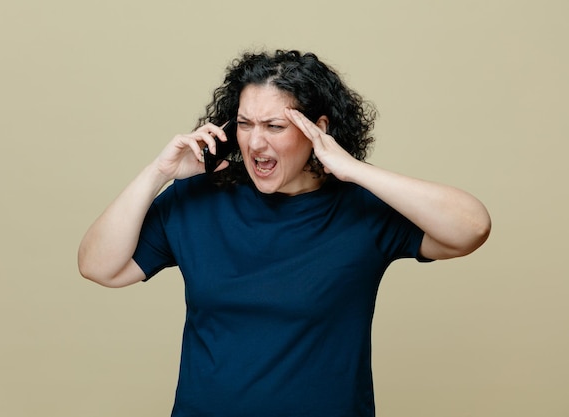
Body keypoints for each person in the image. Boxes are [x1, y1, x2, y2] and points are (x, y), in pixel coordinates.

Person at [77, 49, 491, 417]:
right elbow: (99, 266)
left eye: (274, 125)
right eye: (244, 123)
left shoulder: (362, 210)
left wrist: (354, 171)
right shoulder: (197, 201)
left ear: (318, 129)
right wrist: (159, 174)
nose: (255, 142)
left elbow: (471, 227)